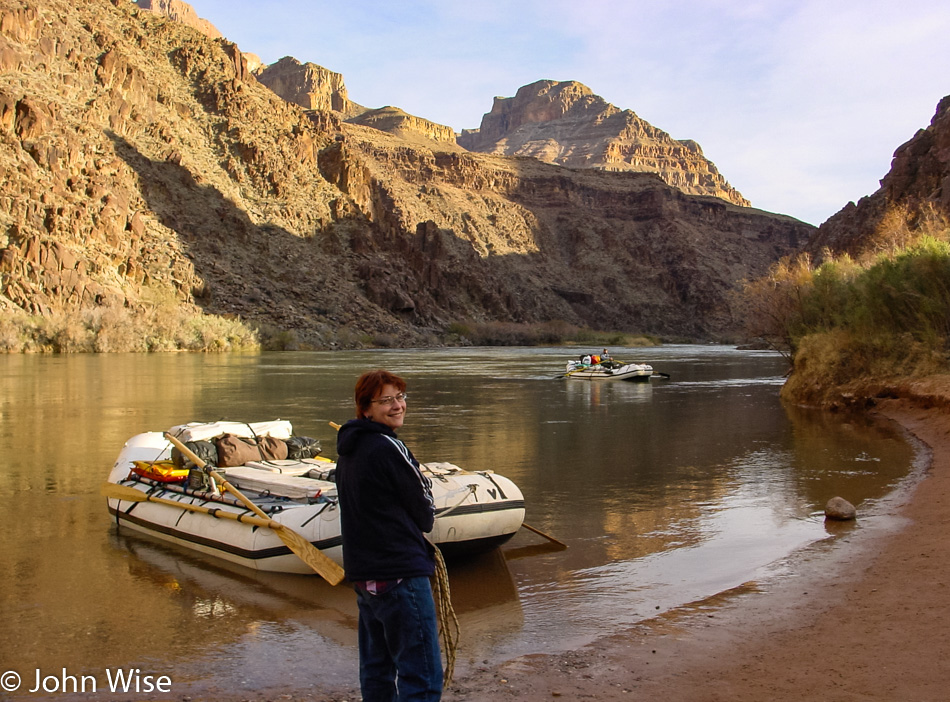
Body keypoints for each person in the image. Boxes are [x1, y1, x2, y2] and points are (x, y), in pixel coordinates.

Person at [335, 369, 443, 701]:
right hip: (400, 573)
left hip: (365, 575)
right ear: (365, 408)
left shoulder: (347, 451)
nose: (398, 406)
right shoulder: (387, 447)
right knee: (421, 675)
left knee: (376, 669)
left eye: (400, 397)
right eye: (387, 400)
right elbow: (425, 513)